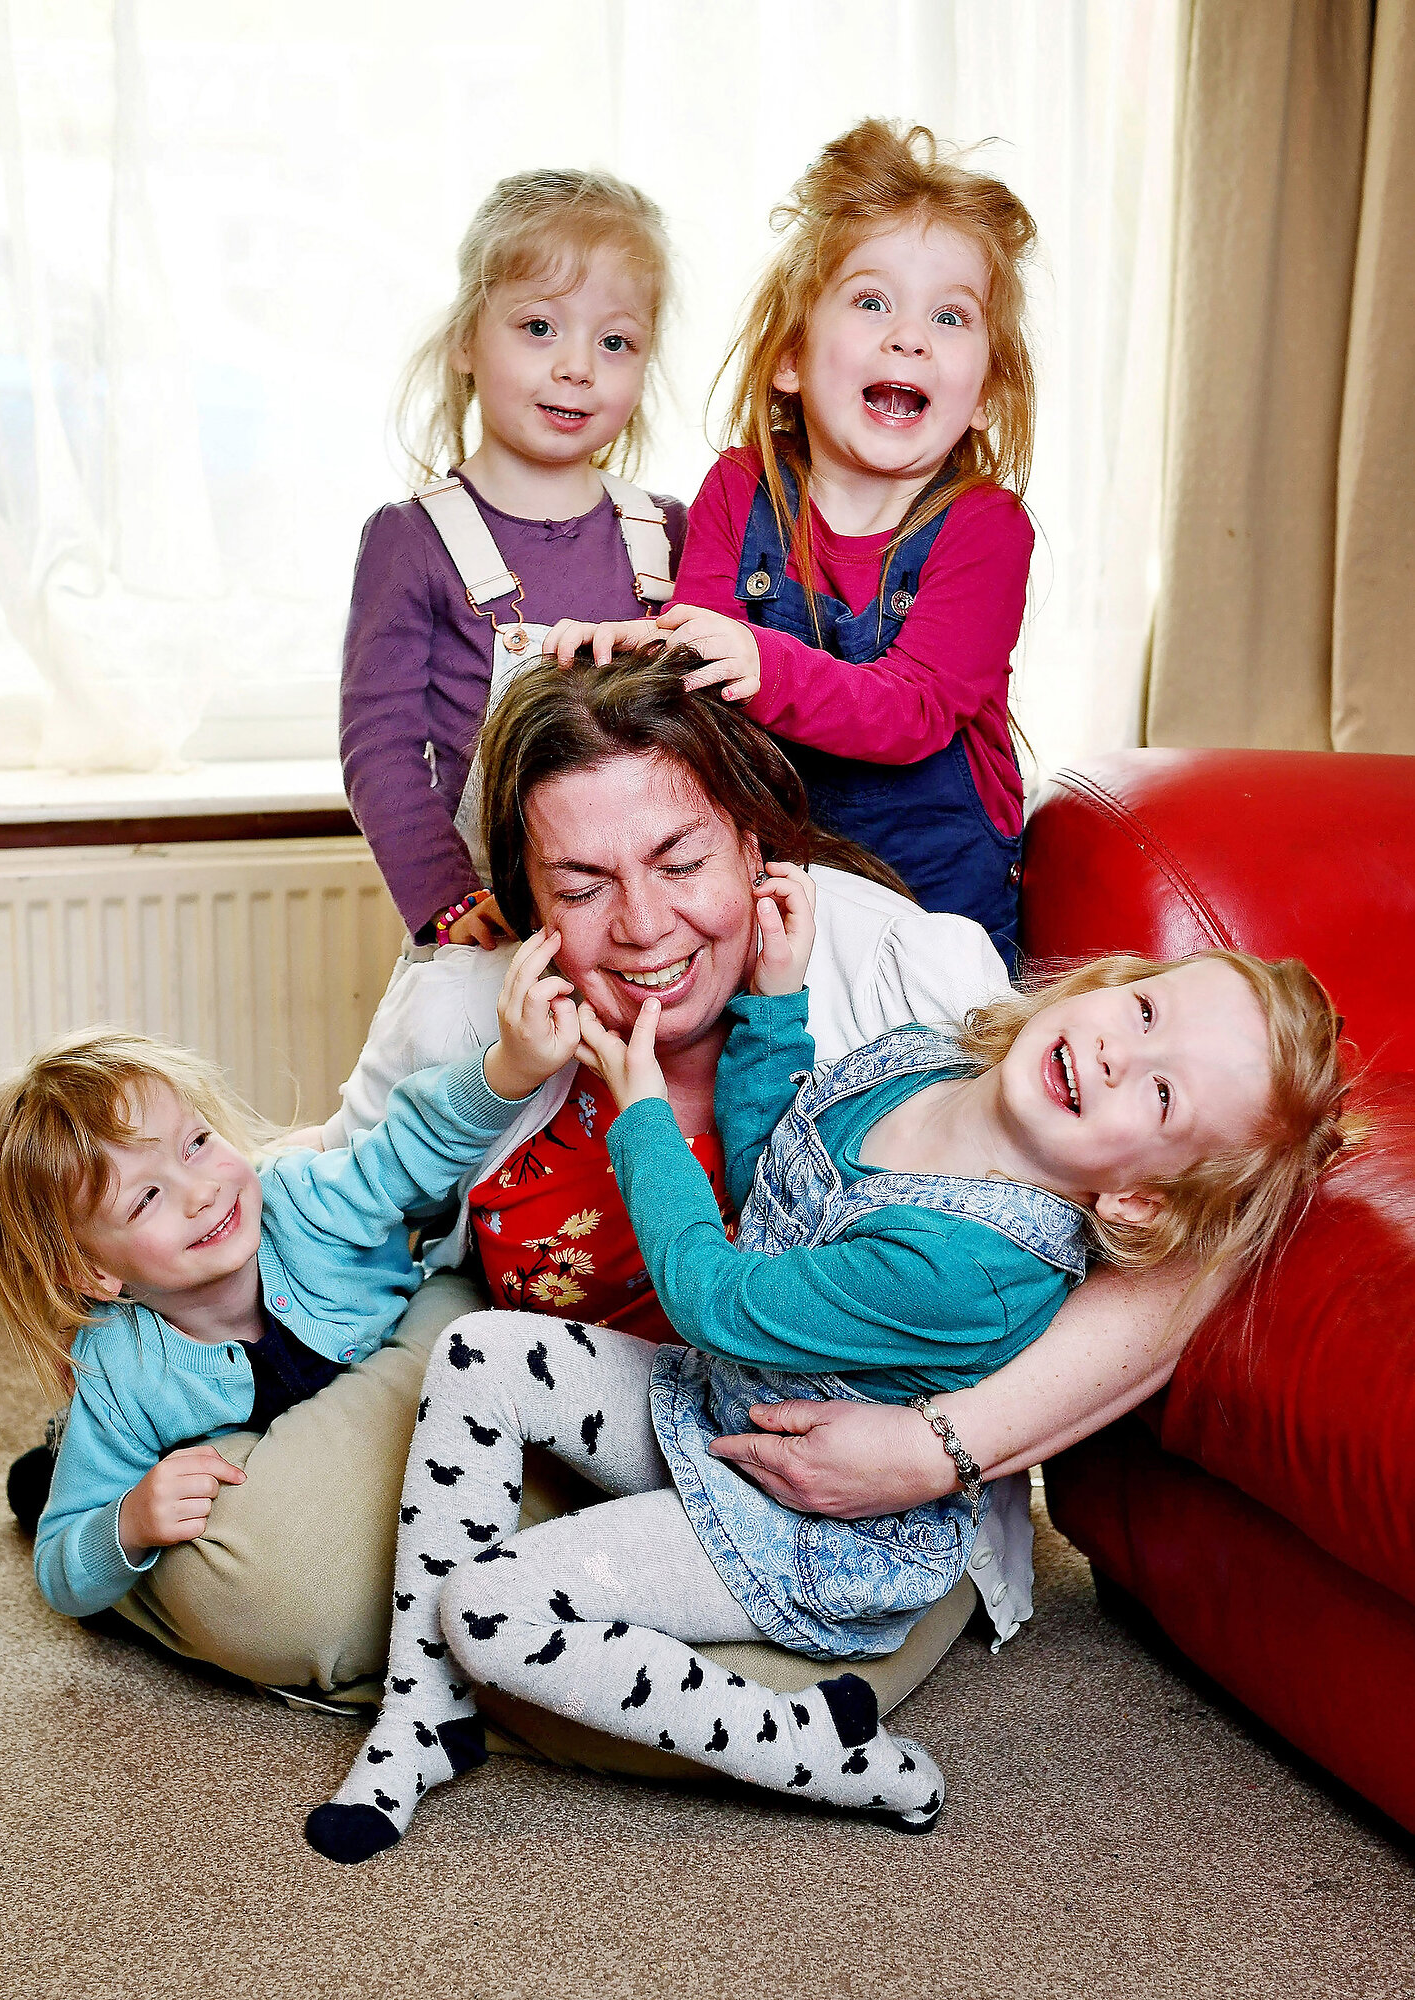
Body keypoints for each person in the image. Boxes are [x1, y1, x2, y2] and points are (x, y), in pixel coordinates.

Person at [305, 860, 1352, 1861]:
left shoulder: (970, 1266)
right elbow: (772, 1175)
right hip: (722, 1408)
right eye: (1144, 1013)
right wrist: (774, 1001)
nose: (1124, 1054)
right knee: (478, 1347)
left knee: (490, 1609)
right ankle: (423, 1710)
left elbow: (713, 1296)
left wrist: (641, 1114)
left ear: (1135, 1198)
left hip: (791, 1520)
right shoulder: (933, 1058)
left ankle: (811, 1743)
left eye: (1162, 1097)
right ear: (1113, 983)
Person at [544, 120, 1039, 969]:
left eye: (950, 316)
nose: (909, 337)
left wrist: (761, 664)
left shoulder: (986, 528)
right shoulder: (741, 488)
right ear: (790, 361)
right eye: (872, 301)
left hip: (936, 917)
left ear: (986, 395)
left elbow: (915, 711)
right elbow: (699, 652)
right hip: (781, 904)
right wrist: (641, 648)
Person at [0, 942, 583, 1623]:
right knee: (54, 1482)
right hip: (132, 1437)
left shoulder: (301, 1200)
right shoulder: (122, 1371)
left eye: (196, 1143)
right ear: (93, 1271)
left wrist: (510, 1070)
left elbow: (408, 1145)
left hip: (365, 1397)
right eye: (145, 1198)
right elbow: (60, 1572)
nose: (200, 1192)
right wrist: (128, 1525)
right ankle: (56, 1455)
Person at [342, 166, 686, 949]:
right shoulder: (412, 541)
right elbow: (380, 748)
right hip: (490, 923)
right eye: (539, 327)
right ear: (466, 339)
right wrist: (447, 897)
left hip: (652, 922)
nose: (577, 365)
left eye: (616, 341)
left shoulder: (668, 530)